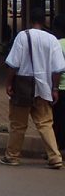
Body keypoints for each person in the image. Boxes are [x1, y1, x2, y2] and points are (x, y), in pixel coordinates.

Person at [0, 7, 65, 168]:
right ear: (45, 22)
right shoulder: (52, 40)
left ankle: (12, 156)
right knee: (45, 123)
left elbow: (13, 64)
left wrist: (9, 83)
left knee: (18, 124)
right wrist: (55, 89)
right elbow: (58, 69)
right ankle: (55, 157)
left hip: (22, 88)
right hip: (43, 88)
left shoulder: (22, 36)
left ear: (30, 20)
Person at [52, 13, 65, 154]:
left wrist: (54, 87)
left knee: (58, 120)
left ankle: (58, 148)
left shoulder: (57, 45)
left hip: (61, 88)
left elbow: (57, 69)